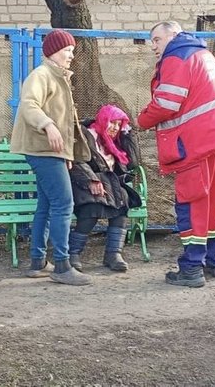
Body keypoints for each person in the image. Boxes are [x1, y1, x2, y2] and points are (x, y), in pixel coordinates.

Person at [138, 20, 215, 288]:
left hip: (196, 143)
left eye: (157, 40)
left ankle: (192, 268)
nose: (153, 46)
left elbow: (166, 103)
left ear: (173, 35)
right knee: (212, 203)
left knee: (192, 204)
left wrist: (140, 121)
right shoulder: (202, 54)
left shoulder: (177, 57)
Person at [11, 28, 93, 286]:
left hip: (51, 151)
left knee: (46, 206)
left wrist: (66, 152)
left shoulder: (58, 77)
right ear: (53, 52)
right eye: (67, 50)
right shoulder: (41, 75)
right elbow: (29, 105)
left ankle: (38, 262)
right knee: (64, 204)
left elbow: (65, 120)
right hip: (41, 149)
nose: (71, 55)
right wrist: (47, 125)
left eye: (72, 50)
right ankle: (62, 265)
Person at [68, 104, 142, 272]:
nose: (115, 128)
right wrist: (91, 180)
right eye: (112, 122)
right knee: (92, 209)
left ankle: (113, 254)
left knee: (121, 206)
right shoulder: (85, 134)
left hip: (110, 184)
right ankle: (73, 253)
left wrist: (128, 134)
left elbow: (133, 163)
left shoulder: (115, 142)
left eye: (119, 124)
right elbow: (76, 160)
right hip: (84, 183)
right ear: (103, 120)